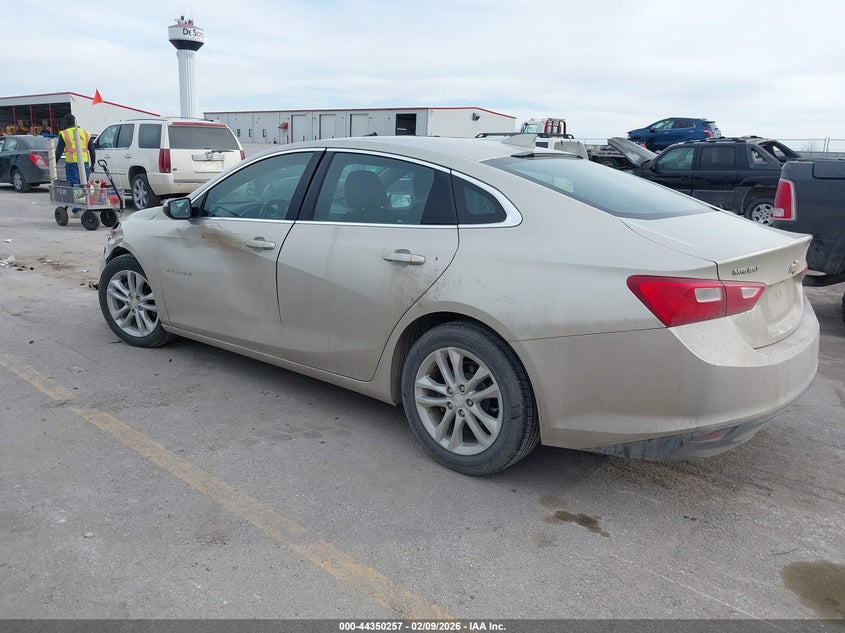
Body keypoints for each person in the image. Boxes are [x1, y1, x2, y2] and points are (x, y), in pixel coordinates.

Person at [54, 114, 96, 185]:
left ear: (66, 122)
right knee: (84, 184)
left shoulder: (64, 133)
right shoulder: (86, 133)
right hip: (84, 162)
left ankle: (77, 196)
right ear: (75, 121)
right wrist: (92, 164)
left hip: (71, 164)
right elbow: (92, 150)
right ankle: (84, 196)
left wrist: (53, 163)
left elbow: (59, 152)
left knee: (74, 185)